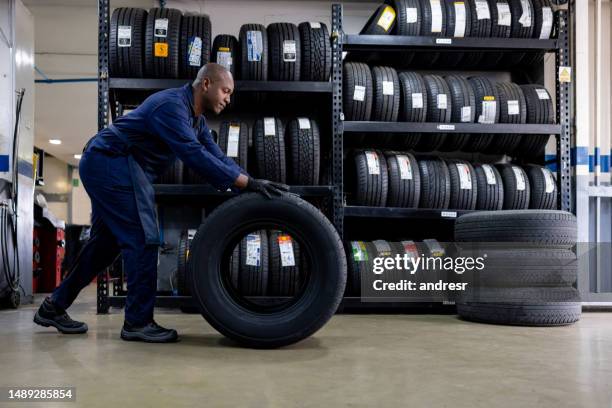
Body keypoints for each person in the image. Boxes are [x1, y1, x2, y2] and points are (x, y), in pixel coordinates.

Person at [33, 63, 288, 343]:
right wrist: (245, 184)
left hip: (118, 166)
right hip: (111, 161)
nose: (228, 98)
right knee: (143, 238)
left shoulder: (197, 121)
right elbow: (193, 155)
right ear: (206, 84)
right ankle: (137, 323)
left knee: (105, 246)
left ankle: (53, 307)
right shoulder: (171, 106)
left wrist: (252, 182)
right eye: (225, 91)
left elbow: (217, 157)